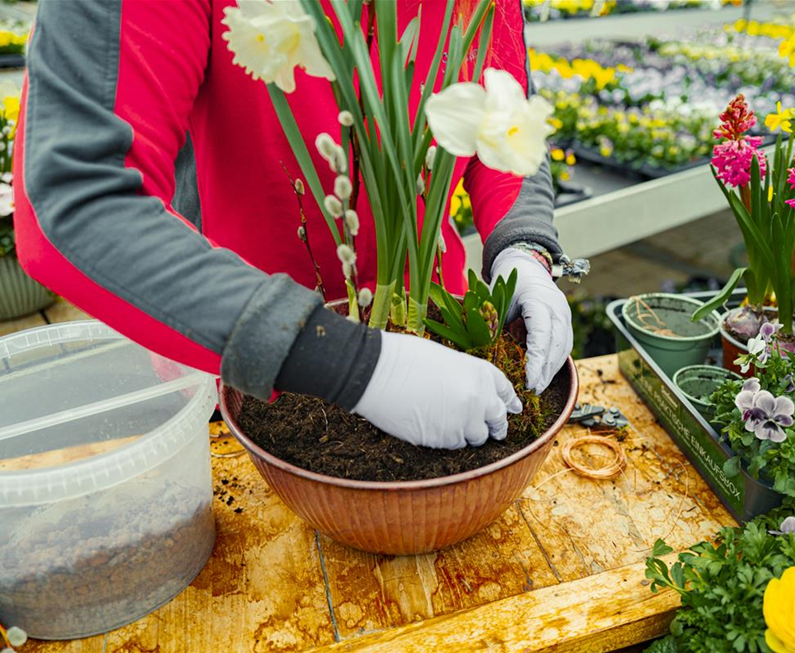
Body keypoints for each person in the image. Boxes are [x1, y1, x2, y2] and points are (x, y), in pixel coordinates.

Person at [13, 0, 573, 449]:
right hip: (242, 368)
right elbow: (79, 196)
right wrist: (359, 367)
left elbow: (504, 115)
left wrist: (523, 249)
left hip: (440, 347)